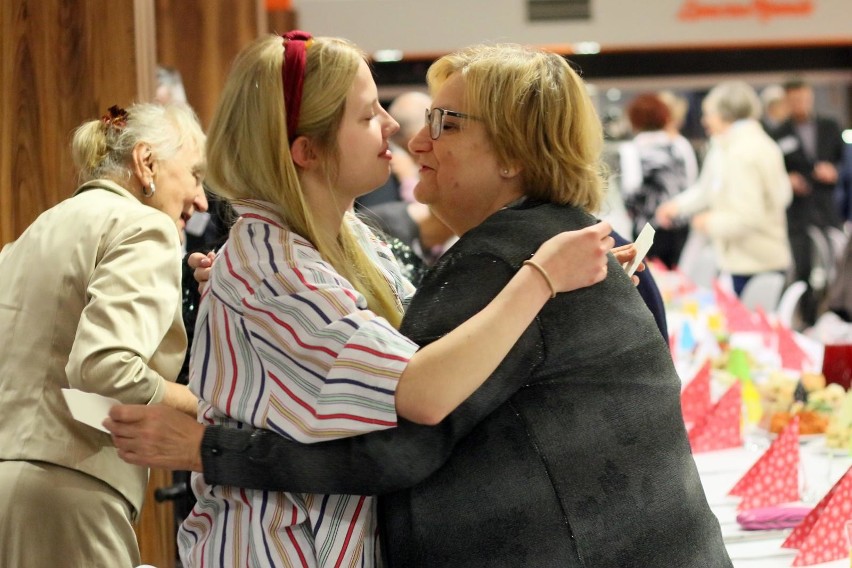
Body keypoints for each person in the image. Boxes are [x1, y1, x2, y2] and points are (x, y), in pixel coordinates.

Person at [107, 41, 731, 567]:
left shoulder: (507, 259)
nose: (409, 136)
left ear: (514, 155)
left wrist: (208, 448)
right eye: (372, 113)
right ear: (306, 148)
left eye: (446, 123)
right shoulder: (538, 246)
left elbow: (404, 432)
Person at [0, 103, 206, 567]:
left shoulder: (32, 234)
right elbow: (104, 367)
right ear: (146, 162)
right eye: (194, 175)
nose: (201, 200)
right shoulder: (143, 226)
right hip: (68, 493)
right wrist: (205, 407)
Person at [656, 81, 792, 297]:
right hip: (742, 260)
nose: (704, 120)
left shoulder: (745, 152)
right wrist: (677, 206)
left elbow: (748, 216)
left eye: (708, 113)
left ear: (725, 113)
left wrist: (706, 222)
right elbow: (707, 189)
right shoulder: (726, 146)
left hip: (755, 264)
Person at [771, 78, 845, 323]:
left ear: (810, 97)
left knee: (837, 267)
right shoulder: (779, 133)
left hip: (826, 208)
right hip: (798, 212)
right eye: (793, 100)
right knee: (803, 268)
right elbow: (774, 171)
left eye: (802, 98)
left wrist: (834, 171)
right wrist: (787, 179)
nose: (799, 104)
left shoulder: (829, 126)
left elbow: (844, 164)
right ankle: (809, 319)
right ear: (786, 102)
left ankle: (833, 316)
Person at [620, 92, 694, 268]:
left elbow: (630, 191)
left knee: (648, 276)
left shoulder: (632, 149)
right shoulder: (680, 145)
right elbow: (691, 183)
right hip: (679, 227)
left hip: (646, 229)